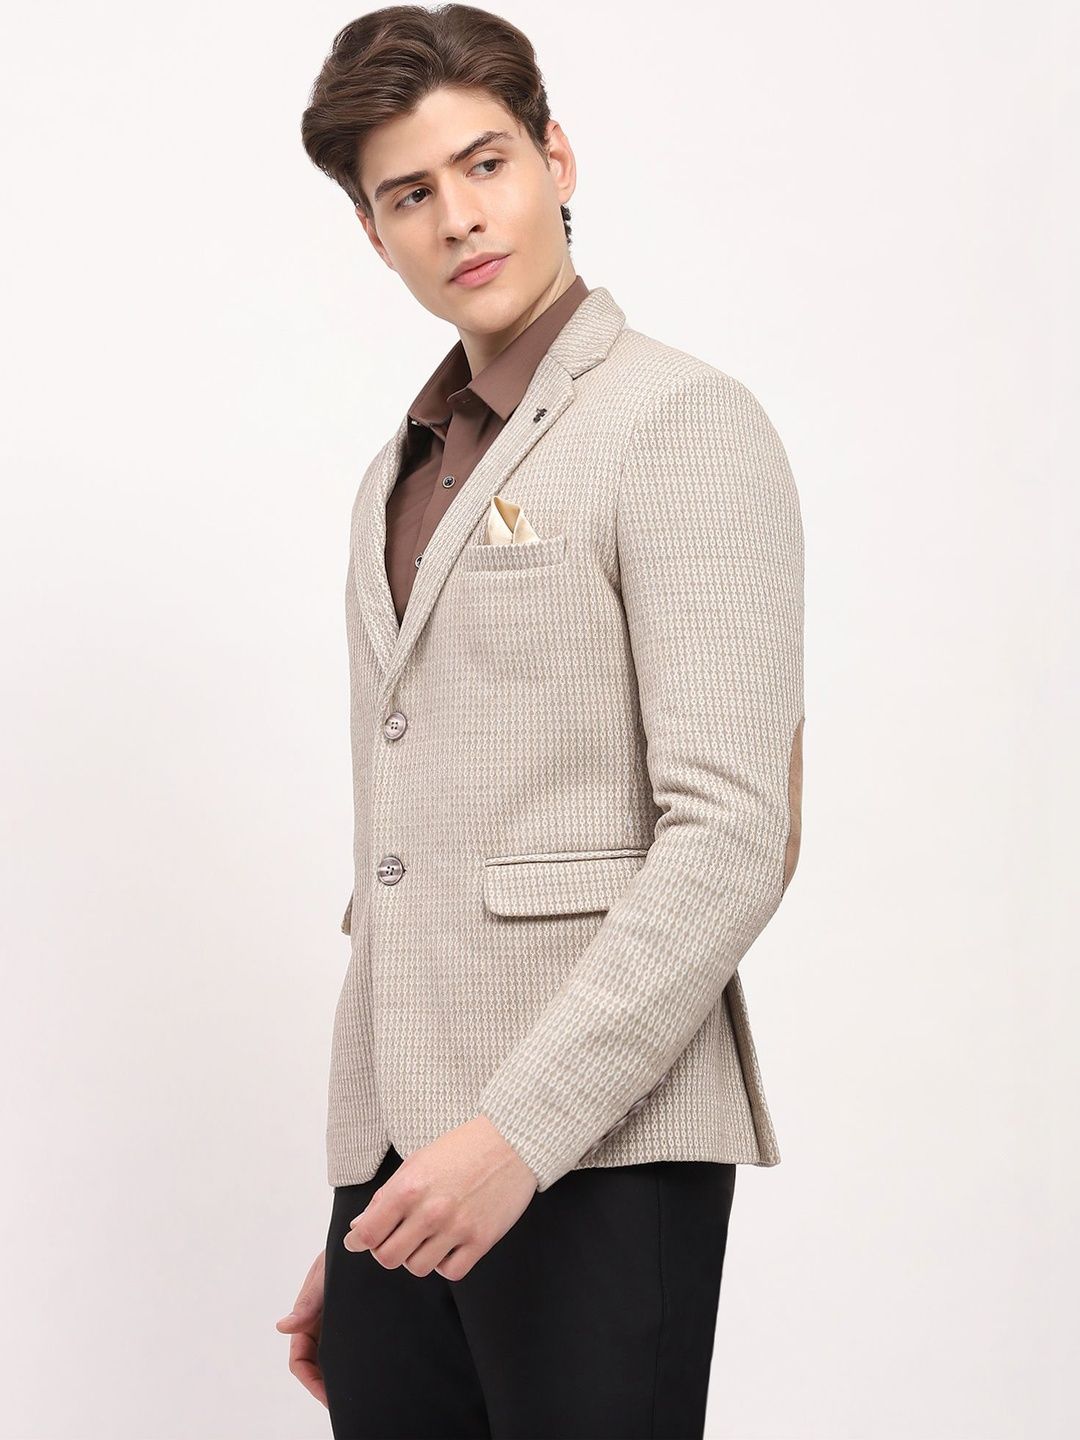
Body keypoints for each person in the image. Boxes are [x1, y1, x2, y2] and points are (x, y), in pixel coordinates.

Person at [277, 6, 805, 1437]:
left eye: (485, 163)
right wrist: (367, 1201)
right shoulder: (399, 472)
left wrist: (513, 1138)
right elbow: (403, 856)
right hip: (408, 1179)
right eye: (408, 194)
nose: (458, 216)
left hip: (599, 1147)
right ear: (374, 235)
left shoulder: (681, 422)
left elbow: (733, 834)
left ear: (555, 159)